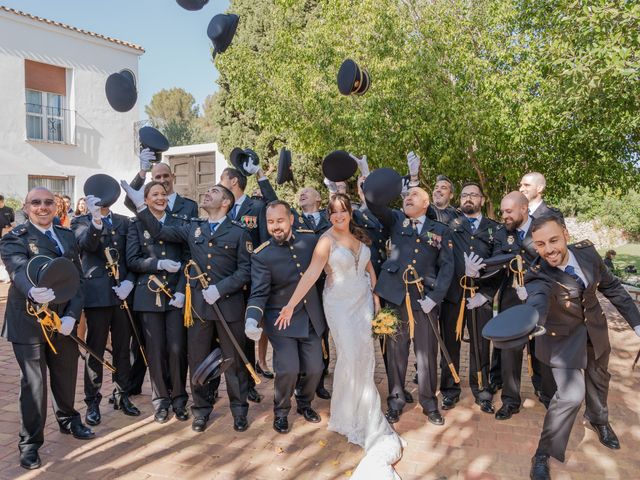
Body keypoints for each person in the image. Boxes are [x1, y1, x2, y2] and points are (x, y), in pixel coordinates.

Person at [276, 193, 404, 478]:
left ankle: (359, 406)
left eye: (342, 211)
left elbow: (370, 269)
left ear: (349, 213)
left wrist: (376, 298)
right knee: (348, 354)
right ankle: (352, 415)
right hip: (339, 304)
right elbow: (311, 274)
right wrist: (290, 304)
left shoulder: (360, 239)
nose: (338, 216)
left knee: (365, 355)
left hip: (363, 306)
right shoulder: (326, 240)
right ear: (329, 215)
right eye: (333, 212)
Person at [122, 181, 252, 433]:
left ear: (226, 202)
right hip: (200, 308)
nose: (207, 193)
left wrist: (221, 288)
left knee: (233, 361)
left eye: (214, 192)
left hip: (228, 306)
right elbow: (159, 232)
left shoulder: (239, 231)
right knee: (198, 361)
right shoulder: (193, 227)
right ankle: (201, 410)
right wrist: (140, 205)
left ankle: (239, 410)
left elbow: (246, 270)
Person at [525, 214, 640, 480]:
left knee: (600, 381)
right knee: (570, 395)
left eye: (553, 240)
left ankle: (600, 421)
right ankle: (543, 453)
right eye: (540, 244)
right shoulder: (537, 273)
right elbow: (537, 300)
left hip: (595, 331)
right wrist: (533, 320)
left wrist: (636, 324)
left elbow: (612, 288)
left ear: (565, 233)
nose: (548, 250)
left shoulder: (587, 254)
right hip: (561, 339)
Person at [0, 187, 94, 470]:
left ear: (57, 206)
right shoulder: (14, 238)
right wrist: (32, 291)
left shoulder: (66, 236)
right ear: (26, 208)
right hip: (28, 320)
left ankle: (68, 419)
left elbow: (77, 279)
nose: (43, 207)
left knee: (66, 375)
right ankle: (30, 443)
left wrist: (73, 316)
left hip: (62, 321)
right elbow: (17, 270)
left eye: (48, 202)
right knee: (34, 383)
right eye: (36, 202)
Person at [368, 184, 454, 427]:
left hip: (423, 298)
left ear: (426, 203)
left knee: (426, 353)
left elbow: (447, 267)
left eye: (414, 195)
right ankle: (395, 401)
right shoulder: (396, 220)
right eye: (406, 195)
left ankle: (429, 403)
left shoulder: (440, 230)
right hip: (395, 296)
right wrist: (370, 181)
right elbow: (376, 206)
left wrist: (435, 297)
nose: (408, 198)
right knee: (396, 351)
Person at [245, 200, 326, 434]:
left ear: (291, 219)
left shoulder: (310, 240)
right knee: (288, 368)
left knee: (314, 368)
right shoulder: (262, 255)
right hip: (281, 319)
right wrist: (252, 318)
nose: (275, 227)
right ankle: (281, 412)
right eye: (270, 222)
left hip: (311, 315)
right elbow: (259, 293)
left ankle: (304, 403)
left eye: (280, 221)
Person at [484, 192, 554, 419]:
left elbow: (553, 261)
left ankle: (546, 393)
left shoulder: (543, 228)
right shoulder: (502, 233)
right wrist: (481, 267)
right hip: (511, 299)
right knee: (509, 350)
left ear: (524, 208)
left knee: (542, 347)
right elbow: (495, 260)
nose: (504, 216)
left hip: (539, 299)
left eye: (509, 211)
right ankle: (510, 400)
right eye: (503, 211)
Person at [71, 193, 139, 427]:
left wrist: (129, 281)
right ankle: (92, 401)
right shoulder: (80, 222)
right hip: (97, 293)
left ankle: (122, 394)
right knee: (96, 349)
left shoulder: (124, 221)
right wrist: (95, 220)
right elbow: (87, 245)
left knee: (123, 347)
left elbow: (132, 256)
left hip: (122, 293)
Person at [126, 181, 189, 424]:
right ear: (146, 199)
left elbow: (188, 261)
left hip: (175, 296)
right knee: (155, 350)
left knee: (176, 349)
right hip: (148, 295)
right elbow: (132, 260)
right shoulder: (135, 224)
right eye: (155, 194)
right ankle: (161, 401)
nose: (161, 198)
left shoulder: (179, 222)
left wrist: (183, 290)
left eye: (163, 194)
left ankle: (180, 399)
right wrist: (157, 264)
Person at [440, 182, 499, 414]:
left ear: (482, 200)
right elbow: (442, 260)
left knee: (481, 345)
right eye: (465, 195)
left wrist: (486, 294)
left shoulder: (495, 228)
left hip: (480, 297)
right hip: (453, 295)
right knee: (449, 344)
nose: (468, 199)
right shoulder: (449, 226)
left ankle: (482, 390)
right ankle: (449, 390)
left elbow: (501, 265)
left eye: (473, 195)